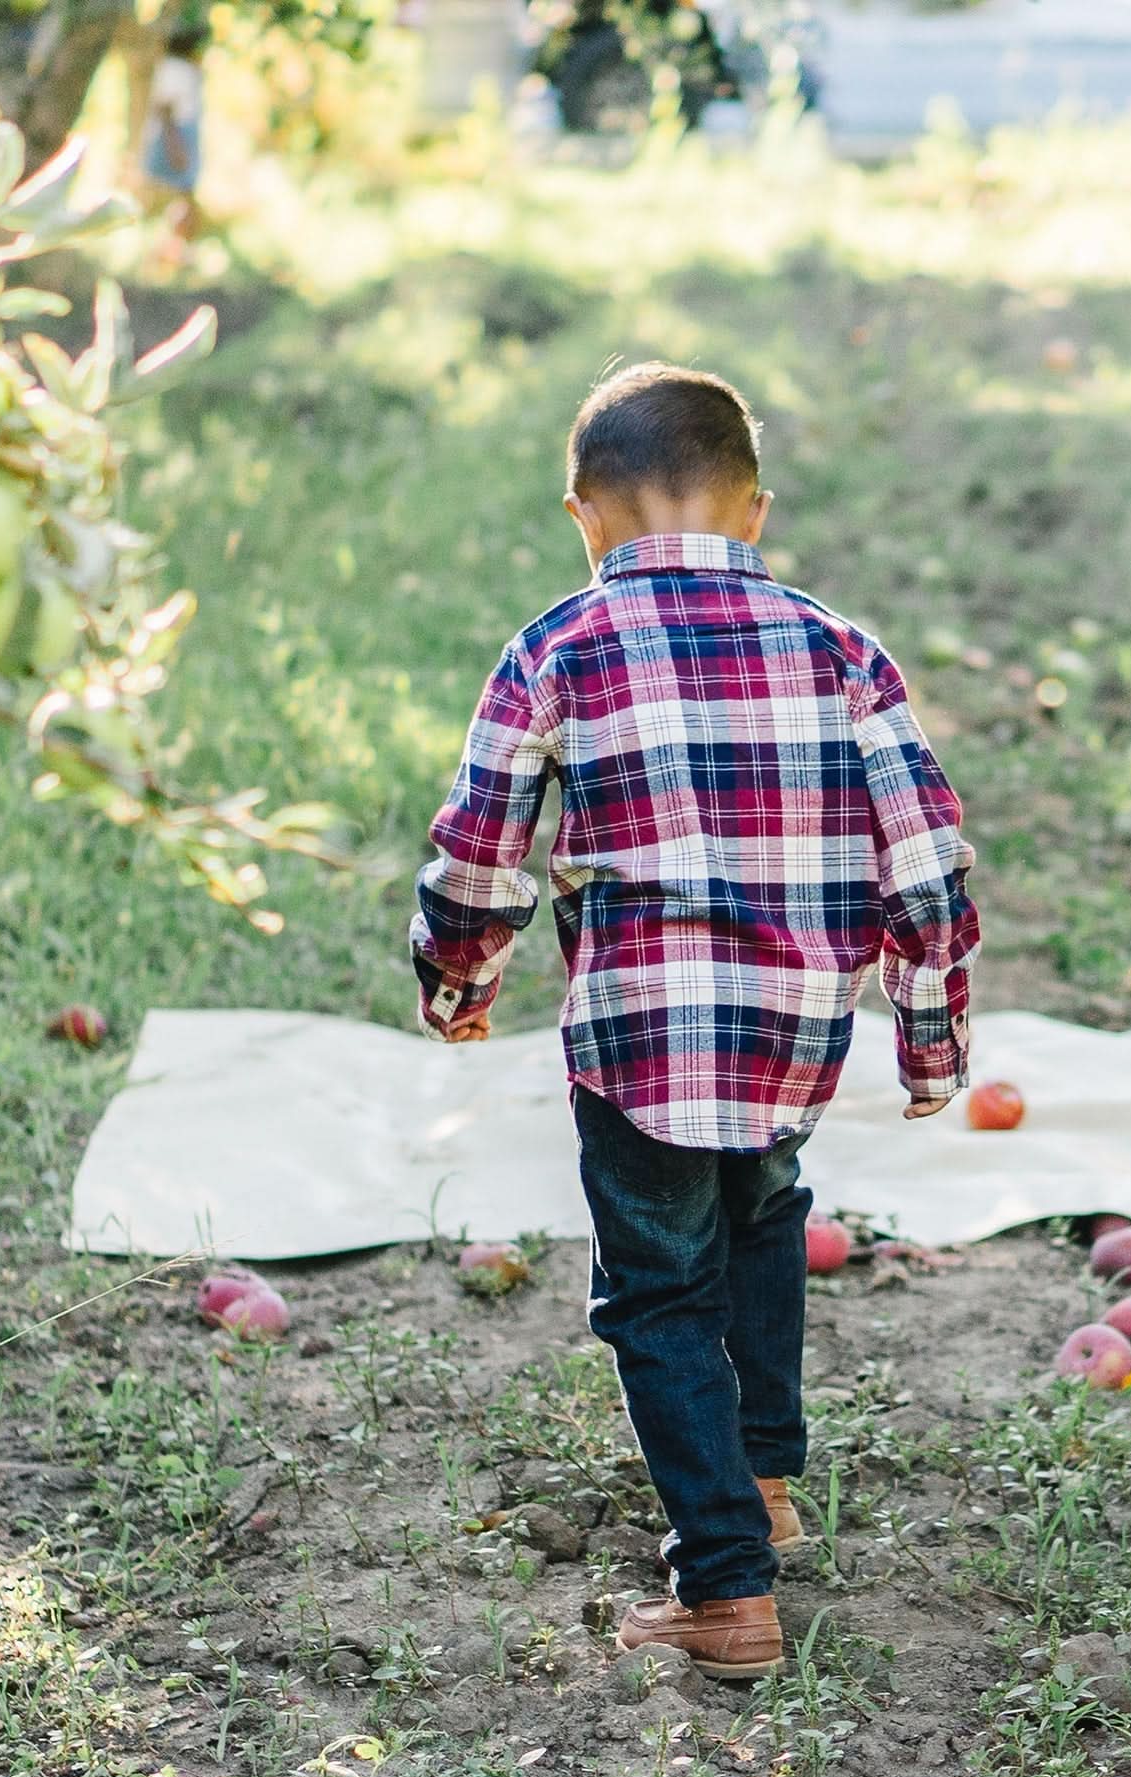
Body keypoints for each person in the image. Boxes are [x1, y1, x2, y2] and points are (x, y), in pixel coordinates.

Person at [410, 364, 979, 1678]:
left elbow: (481, 845)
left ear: (584, 519)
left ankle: (723, 1585)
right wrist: (928, 1028)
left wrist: (460, 978)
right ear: (756, 514)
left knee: (660, 1291)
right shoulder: (841, 648)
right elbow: (927, 852)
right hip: (790, 1031)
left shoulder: (557, 647)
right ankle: (764, 1476)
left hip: (640, 1037)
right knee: (764, 1215)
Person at [139, 19, 208, 260]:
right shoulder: (175, 69)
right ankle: (163, 252)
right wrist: (175, 147)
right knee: (174, 199)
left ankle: (174, 252)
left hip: (179, 135)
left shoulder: (181, 68)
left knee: (180, 200)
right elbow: (165, 109)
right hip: (173, 138)